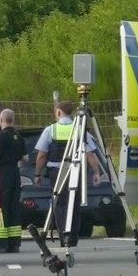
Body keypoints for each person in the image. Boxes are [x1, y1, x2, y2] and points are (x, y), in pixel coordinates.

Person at [32, 100, 101, 247]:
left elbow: (41, 155)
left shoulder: (51, 130)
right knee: (74, 204)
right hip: (76, 170)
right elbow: (90, 154)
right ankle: (73, 238)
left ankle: (64, 236)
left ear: (58, 112)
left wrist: (37, 174)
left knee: (61, 204)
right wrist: (96, 172)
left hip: (57, 171)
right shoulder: (80, 129)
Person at [0, 106, 25, 253]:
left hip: (3, 174)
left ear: (1, 120)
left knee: (1, 208)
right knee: (14, 208)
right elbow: (25, 157)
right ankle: (14, 243)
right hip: (16, 173)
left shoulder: (0, 136)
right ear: (13, 120)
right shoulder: (19, 136)